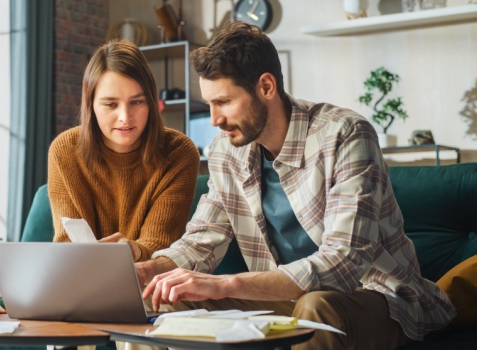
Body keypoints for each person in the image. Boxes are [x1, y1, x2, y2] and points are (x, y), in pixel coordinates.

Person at [137, 22, 455, 350]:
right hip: (282, 301)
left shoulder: (345, 134)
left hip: (373, 298)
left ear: (266, 86)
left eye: (224, 102)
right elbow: (202, 241)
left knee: (317, 306)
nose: (215, 119)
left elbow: (343, 262)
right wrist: (147, 272)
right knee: (161, 301)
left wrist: (225, 285)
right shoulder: (225, 151)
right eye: (210, 103)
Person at [49, 39, 200, 261]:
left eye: (137, 102)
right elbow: (68, 244)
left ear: (151, 102)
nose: (125, 117)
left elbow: (161, 243)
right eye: (110, 104)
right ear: (91, 104)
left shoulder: (179, 152)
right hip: (81, 277)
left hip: (149, 281)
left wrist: (135, 250)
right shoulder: (65, 150)